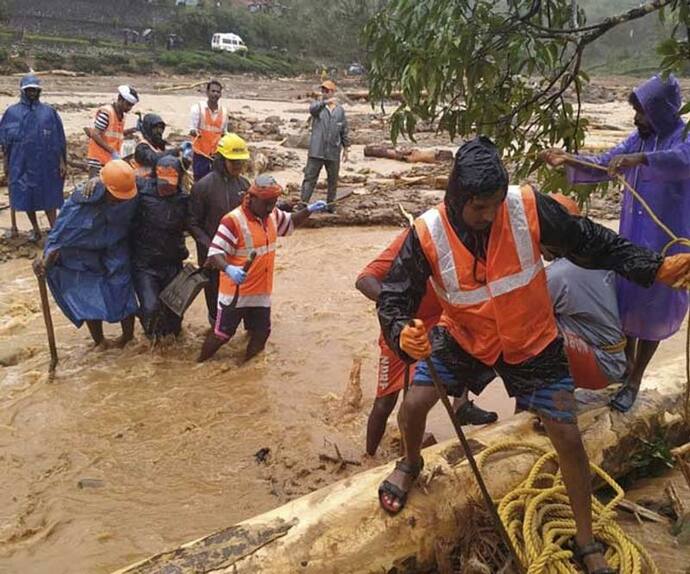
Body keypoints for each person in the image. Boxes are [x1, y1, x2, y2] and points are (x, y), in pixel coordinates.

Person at [376, 137, 690, 574]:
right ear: (456, 198)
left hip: (533, 342)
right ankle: (409, 463)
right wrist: (400, 332)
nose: (490, 215)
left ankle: (585, 541)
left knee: (567, 435)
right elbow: (393, 296)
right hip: (465, 337)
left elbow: (592, 241)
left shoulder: (525, 207)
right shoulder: (426, 232)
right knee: (412, 406)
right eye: (480, 208)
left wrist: (654, 267)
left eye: (493, 205)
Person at [541, 74, 690, 413]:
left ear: (661, 112)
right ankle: (625, 370)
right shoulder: (638, 138)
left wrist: (641, 161)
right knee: (628, 305)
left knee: (655, 308)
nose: (637, 120)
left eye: (643, 113)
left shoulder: (684, 137)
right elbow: (608, 162)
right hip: (632, 237)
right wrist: (569, 159)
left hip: (668, 243)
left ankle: (635, 380)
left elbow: (683, 161)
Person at [356, 229, 497, 456]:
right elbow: (364, 280)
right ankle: (368, 457)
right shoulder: (414, 240)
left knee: (465, 347)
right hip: (403, 328)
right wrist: (395, 308)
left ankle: (459, 406)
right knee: (385, 403)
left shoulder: (472, 242)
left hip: (439, 323)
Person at [197, 175, 328, 363]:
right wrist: (229, 269)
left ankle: (246, 370)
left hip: (261, 292)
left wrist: (308, 211)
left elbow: (289, 223)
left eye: (273, 203)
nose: (270, 207)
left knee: (261, 333)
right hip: (236, 293)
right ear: (252, 198)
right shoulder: (233, 220)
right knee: (222, 335)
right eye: (267, 203)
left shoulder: (272, 215)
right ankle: (199, 363)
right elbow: (214, 253)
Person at [33, 160, 140, 348]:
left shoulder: (131, 191)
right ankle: (100, 341)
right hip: (82, 250)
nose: (119, 200)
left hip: (115, 244)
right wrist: (47, 258)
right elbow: (62, 231)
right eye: (116, 197)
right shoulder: (83, 198)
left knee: (122, 286)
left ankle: (127, 338)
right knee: (87, 292)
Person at [544, 194, 627, 391]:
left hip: (600, 364)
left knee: (530, 332)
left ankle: (545, 402)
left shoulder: (558, 275)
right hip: (617, 358)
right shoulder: (601, 254)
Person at [189, 133, 251, 326]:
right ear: (221, 160)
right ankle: (215, 329)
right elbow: (192, 223)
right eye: (234, 163)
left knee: (240, 296)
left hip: (238, 253)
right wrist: (211, 249)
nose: (238, 167)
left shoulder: (244, 185)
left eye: (241, 163)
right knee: (215, 297)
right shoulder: (203, 187)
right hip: (212, 256)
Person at [0, 74, 66, 241]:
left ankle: (55, 231)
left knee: (49, 197)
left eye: (34, 90)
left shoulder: (49, 113)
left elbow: (59, 139)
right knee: (26, 197)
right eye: (29, 90)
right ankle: (36, 229)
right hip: (21, 164)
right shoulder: (12, 113)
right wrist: (6, 164)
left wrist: (62, 161)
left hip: (46, 163)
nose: (32, 93)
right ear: (23, 90)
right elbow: (5, 143)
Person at [131, 155, 190, 339]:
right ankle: (151, 346)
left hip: (172, 262)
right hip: (145, 264)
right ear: (155, 177)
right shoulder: (141, 190)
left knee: (175, 316)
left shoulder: (184, 199)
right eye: (163, 182)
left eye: (171, 183)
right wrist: (92, 184)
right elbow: (113, 179)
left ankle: (171, 356)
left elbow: (197, 223)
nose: (167, 187)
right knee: (150, 308)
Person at [299, 80, 350, 213]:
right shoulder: (318, 107)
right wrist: (324, 103)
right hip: (316, 151)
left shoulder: (340, 111)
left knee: (333, 180)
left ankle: (331, 205)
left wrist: (346, 148)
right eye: (323, 91)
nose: (324, 93)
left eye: (327, 91)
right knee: (309, 178)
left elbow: (344, 129)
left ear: (333, 92)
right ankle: (302, 204)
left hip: (333, 151)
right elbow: (312, 110)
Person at [86, 85, 139, 178]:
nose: (129, 108)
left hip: (110, 160)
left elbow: (115, 134)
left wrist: (131, 131)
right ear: (120, 99)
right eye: (128, 104)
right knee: (96, 188)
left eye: (131, 106)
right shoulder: (106, 113)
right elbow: (95, 134)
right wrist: (111, 150)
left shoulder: (121, 116)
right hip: (98, 159)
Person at [190, 79, 228, 182]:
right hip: (200, 153)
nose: (215, 94)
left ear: (220, 94)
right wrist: (194, 132)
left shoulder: (224, 112)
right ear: (207, 92)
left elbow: (224, 133)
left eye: (218, 92)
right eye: (213, 91)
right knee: (199, 182)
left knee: (216, 182)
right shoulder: (198, 109)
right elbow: (192, 128)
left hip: (216, 155)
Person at [131, 113, 188, 178]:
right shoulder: (141, 147)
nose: (159, 131)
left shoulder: (158, 145)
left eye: (161, 128)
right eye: (155, 128)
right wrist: (174, 152)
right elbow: (153, 159)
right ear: (148, 128)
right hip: (141, 183)